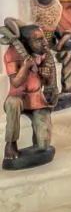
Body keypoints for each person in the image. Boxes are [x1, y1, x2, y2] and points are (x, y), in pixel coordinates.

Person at [3, 20, 57, 167]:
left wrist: (47, 75)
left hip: (36, 98)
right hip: (18, 96)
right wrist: (26, 66)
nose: (44, 43)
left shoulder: (43, 54)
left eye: (43, 38)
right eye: (38, 40)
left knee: (44, 144)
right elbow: (16, 82)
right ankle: (10, 143)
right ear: (26, 42)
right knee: (13, 103)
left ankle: (37, 137)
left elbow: (47, 82)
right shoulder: (11, 54)